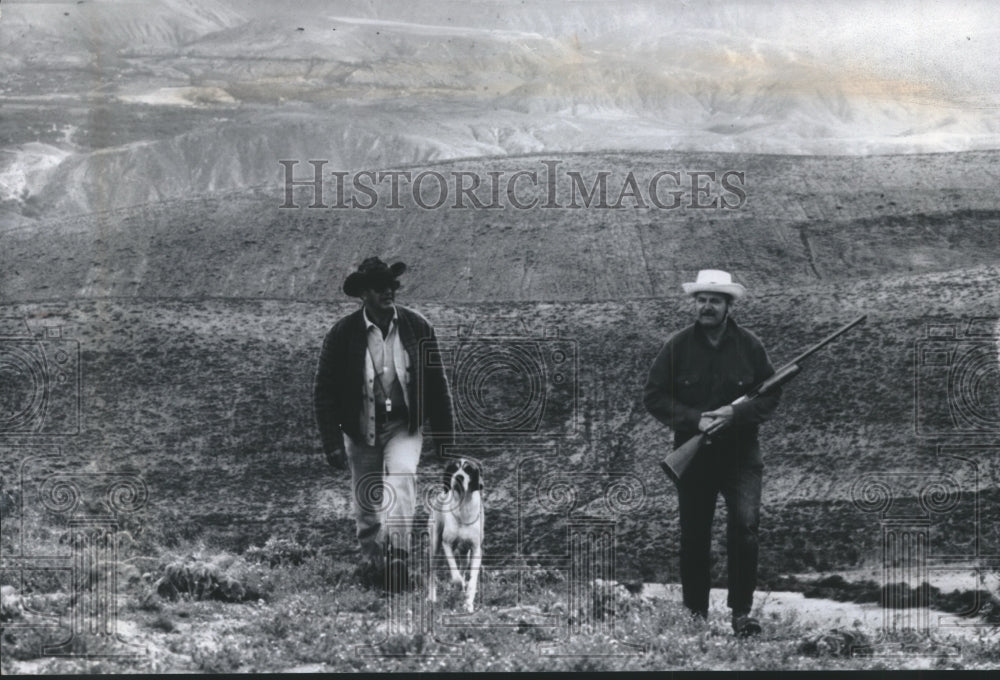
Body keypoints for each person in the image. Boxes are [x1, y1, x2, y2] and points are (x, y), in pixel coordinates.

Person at [643, 269, 781, 637]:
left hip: (741, 455)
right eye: (701, 299)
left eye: (714, 300)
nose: (706, 306)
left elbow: (770, 395)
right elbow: (654, 396)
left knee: (745, 529)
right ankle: (695, 617)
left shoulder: (750, 345)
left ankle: (741, 615)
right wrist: (695, 420)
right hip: (695, 455)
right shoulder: (677, 346)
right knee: (694, 536)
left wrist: (735, 413)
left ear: (728, 305)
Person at [314, 256, 455, 591]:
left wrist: (446, 441)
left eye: (391, 286)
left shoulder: (418, 327)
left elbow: (436, 384)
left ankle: (398, 558)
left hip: (404, 426)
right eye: (379, 288)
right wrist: (331, 441)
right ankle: (373, 568)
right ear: (363, 293)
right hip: (361, 428)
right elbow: (324, 389)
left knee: (403, 477)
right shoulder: (342, 334)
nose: (388, 292)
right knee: (366, 505)